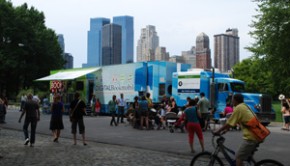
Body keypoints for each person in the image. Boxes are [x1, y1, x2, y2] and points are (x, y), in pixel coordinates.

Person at [214, 93, 260, 166]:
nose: (232, 102)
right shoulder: (245, 106)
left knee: (238, 157)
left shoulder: (238, 108)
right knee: (245, 156)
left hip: (251, 137)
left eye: (232, 100)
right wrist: (226, 130)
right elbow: (235, 121)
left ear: (235, 100)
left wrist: (218, 131)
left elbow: (229, 122)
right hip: (258, 134)